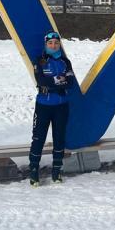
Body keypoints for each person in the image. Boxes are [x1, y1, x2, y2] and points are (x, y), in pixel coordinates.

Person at [30, 31, 76, 186]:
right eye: (50, 43)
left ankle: (56, 171)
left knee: (59, 138)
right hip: (43, 105)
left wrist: (55, 82)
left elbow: (70, 83)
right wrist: (58, 79)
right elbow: (42, 80)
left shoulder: (65, 62)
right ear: (46, 44)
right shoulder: (40, 61)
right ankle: (34, 171)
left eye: (56, 43)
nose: (53, 45)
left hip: (61, 105)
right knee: (38, 138)